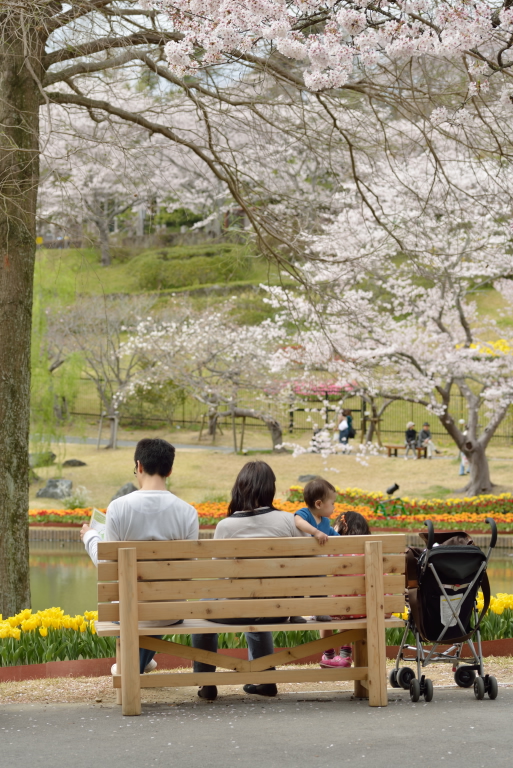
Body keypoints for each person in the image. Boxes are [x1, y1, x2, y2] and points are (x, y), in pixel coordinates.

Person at [191, 460, 308, 702]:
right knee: (260, 602)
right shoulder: (288, 521)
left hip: (235, 609)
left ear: (240, 488)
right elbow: (306, 561)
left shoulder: (225, 526)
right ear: (270, 489)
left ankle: (206, 681)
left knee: (206, 603)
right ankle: (266, 679)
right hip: (277, 610)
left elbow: (222, 576)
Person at [80, 438, 199, 676]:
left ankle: (130, 666)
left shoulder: (118, 507)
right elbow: (189, 571)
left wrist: (90, 537)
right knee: (155, 604)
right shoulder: (188, 512)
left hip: (127, 613)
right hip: (171, 613)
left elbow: (107, 564)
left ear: (139, 466)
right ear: (170, 470)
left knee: (135, 605)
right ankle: (143, 661)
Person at [318, 511, 371, 669]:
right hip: (366, 609)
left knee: (326, 605)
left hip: (340, 609)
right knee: (347, 602)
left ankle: (328, 654)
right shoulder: (368, 550)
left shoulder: (336, 550)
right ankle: (345, 655)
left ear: (340, 527)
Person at [294, 477, 340, 622]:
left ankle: (319, 610)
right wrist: (316, 532)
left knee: (321, 585)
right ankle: (295, 613)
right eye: (332, 503)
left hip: (317, 567)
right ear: (319, 504)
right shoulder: (305, 514)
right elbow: (298, 522)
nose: (334, 507)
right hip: (301, 565)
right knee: (298, 587)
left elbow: (334, 535)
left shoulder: (325, 522)